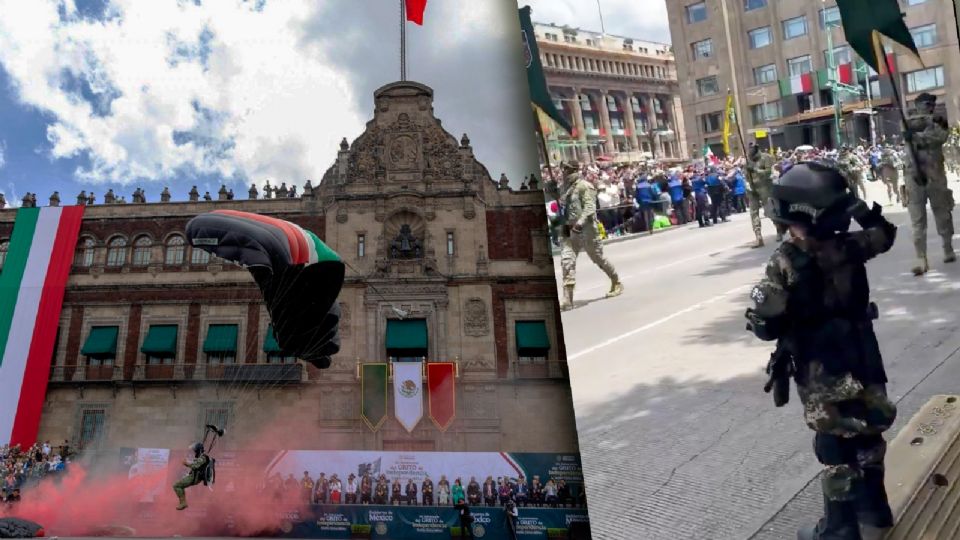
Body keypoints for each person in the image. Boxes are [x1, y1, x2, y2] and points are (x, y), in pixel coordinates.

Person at [744, 161, 898, 540]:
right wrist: (855, 206)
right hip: (863, 356)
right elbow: (885, 233)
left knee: (834, 444)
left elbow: (765, 322)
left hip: (821, 368)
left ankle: (840, 529)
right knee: (868, 430)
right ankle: (875, 512)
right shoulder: (850, 246)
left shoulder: (786, 260)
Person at [547, 161, 623, 310]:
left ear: (573, 170)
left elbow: (590, 208)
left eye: (566, 170)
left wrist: (580, 223)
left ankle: (616, 281)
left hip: (586, 228)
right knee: (567, 261)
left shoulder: (584, 186)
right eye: (563, 170)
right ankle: (568, 299)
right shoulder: (564, 188)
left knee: (597, 258)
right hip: (567, 228)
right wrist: (551, 189)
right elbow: (558, 201)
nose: (563, 173)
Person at [902, 92, 955, 276]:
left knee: (942, 212)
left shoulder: (939, 120)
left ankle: (947, 248)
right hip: (914, 176)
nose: (929, 107)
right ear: (917, 105)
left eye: (931, 104)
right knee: (917, 220)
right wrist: (909, 135)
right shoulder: (907, 122)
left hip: (935, 174)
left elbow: (940, 137)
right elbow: (907, 145)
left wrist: (916, 138)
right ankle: (921, 259)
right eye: (925, 104)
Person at [745, 143, 782, 247]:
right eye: (749, 149)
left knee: (769, 211)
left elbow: (768, 172)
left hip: (765, 187)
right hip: (752, 188)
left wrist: (755, 170)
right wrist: (747, 184)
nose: (749, 151)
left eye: (751, 149)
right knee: (753, 213)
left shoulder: (766, 157)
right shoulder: (748, 160)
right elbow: (746, 175)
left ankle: (778, 228)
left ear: (756, 149)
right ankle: (758, 237)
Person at [172, 442, 210, 510]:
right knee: (180, 486)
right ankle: (183, 503)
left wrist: (186, 463)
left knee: (176, 485)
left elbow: (195, 466)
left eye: (195, 450)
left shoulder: (203, 457)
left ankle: (183, 503)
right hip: (194, 476)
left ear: (198, 450)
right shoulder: (201, 457)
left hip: (194, 478)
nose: (194, 452)